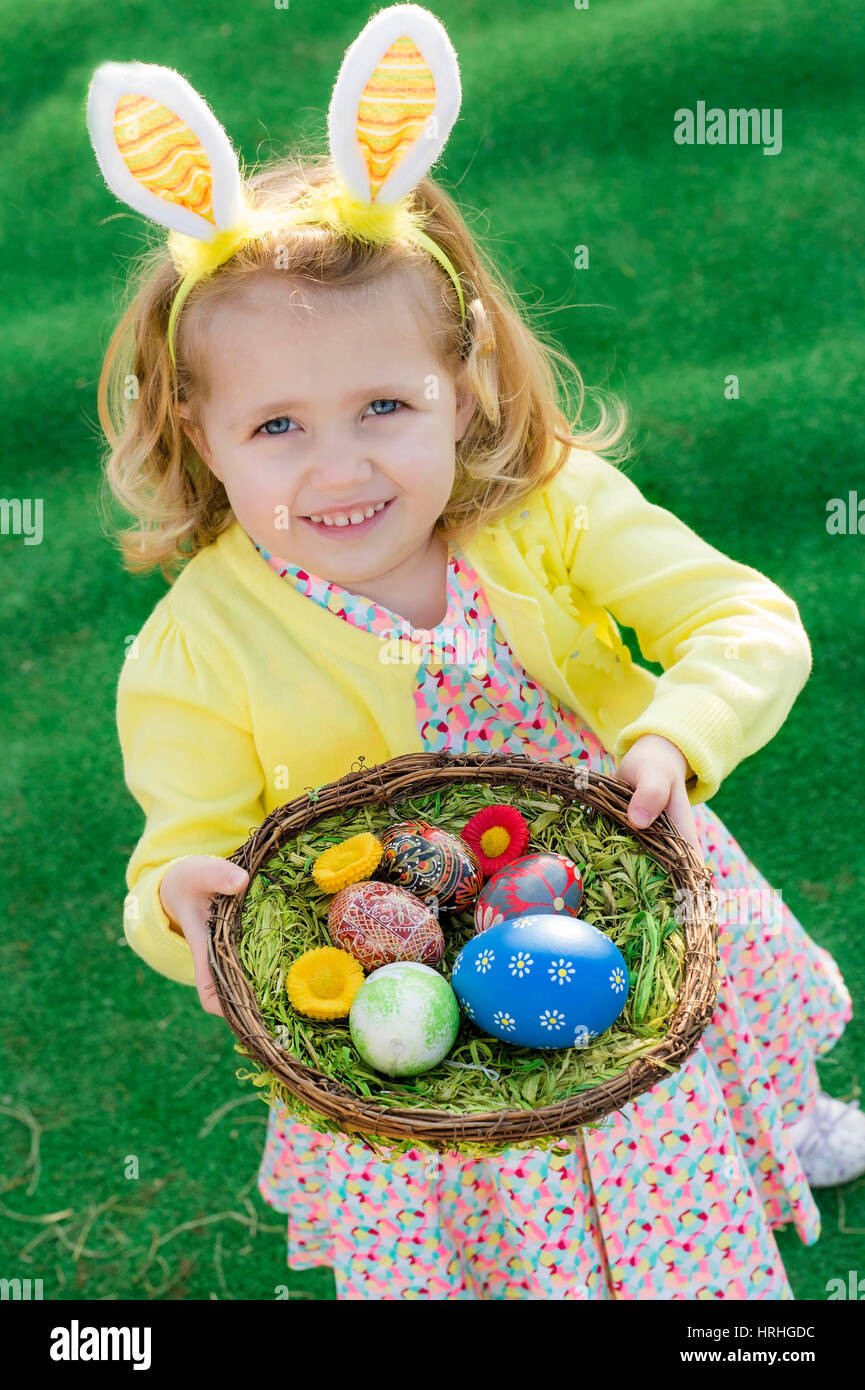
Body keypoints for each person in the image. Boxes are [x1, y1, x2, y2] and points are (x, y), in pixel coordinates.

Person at [88, 5, 861, 1299]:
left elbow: (742, 622)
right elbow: (179, 852)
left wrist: (679, 729)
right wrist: (177, 908)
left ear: (463, 380)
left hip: (627, 876)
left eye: (384, 405)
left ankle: (770, 1131)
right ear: (201, 428)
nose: (341, 468)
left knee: (689, 1053)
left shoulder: (544, 509)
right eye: (278, 423)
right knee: (511, 1159)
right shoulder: (194, 650)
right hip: (414, 971)